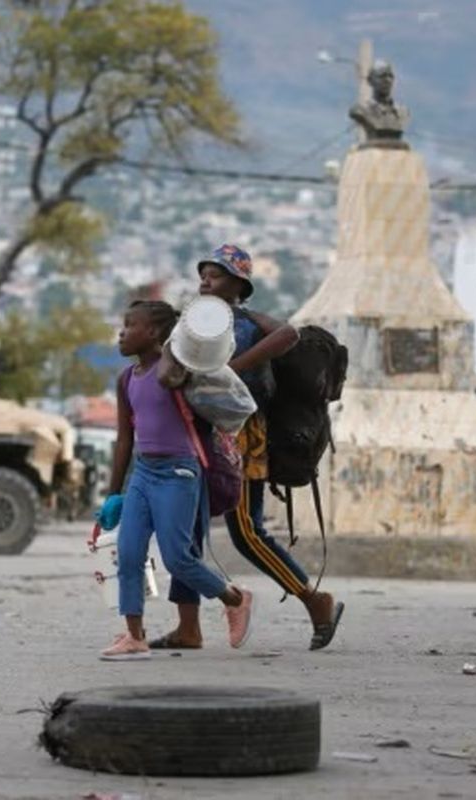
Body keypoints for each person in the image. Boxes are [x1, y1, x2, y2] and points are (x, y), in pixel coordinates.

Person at [149, 245, 344, 652]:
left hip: (238, 435)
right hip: (198, 432)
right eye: (203, 273)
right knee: (188, 534)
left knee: (247, 532)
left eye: (216, 275)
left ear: (239, 285)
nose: (205, 280)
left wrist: (232, 369)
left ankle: (315, 600)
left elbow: (289, 335)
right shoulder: (195, 320)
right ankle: (188, 628)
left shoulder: (248, 322)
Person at [97, 299, 255, 661]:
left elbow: (168, 376)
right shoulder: (126, 379)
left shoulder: (176, 369)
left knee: (178, 558)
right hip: (144, 473)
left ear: (153, 333)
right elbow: (124, 438)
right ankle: (134, 636)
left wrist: (172, 343)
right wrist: (113, 493)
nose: (120, 333)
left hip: (179, 472)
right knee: (129, 553)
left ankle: (235, 598)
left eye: (128, 324)